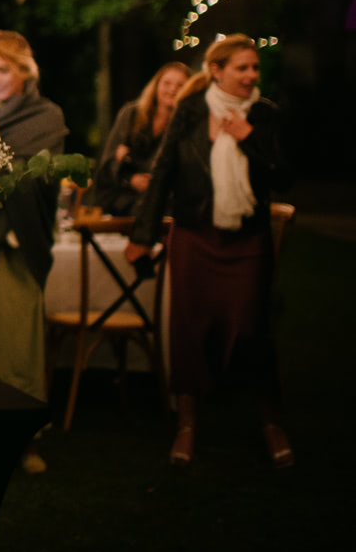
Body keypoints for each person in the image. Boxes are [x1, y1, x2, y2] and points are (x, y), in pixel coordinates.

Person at [125, 35, 293, 468]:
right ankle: (187, 422)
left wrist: (249, 136)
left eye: (255, 68)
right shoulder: (191, 110)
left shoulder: (264, 114)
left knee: (252, 328)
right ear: (216, 70)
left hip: (246, 239)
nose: (251, 75)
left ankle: (270, 421)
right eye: (242, 68)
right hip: (195, 234)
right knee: (189, 327)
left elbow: (286, 176)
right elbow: (163, 171)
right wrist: (142, 233)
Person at [0, 30, 67, 472]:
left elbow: (26, 177)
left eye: (3, 70)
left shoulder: (47, 116)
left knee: (17, 345)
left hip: (15, 242)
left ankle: (25, 439)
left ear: (24, 72)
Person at [88, 61, 191, 216]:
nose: (172, 90)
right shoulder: (131, 114)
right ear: (156, 85)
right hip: (121, 199)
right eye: (167, 83)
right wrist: (131, 179)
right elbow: (109, 162)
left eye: (180, 85)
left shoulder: (188, 124)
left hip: (164, 205)